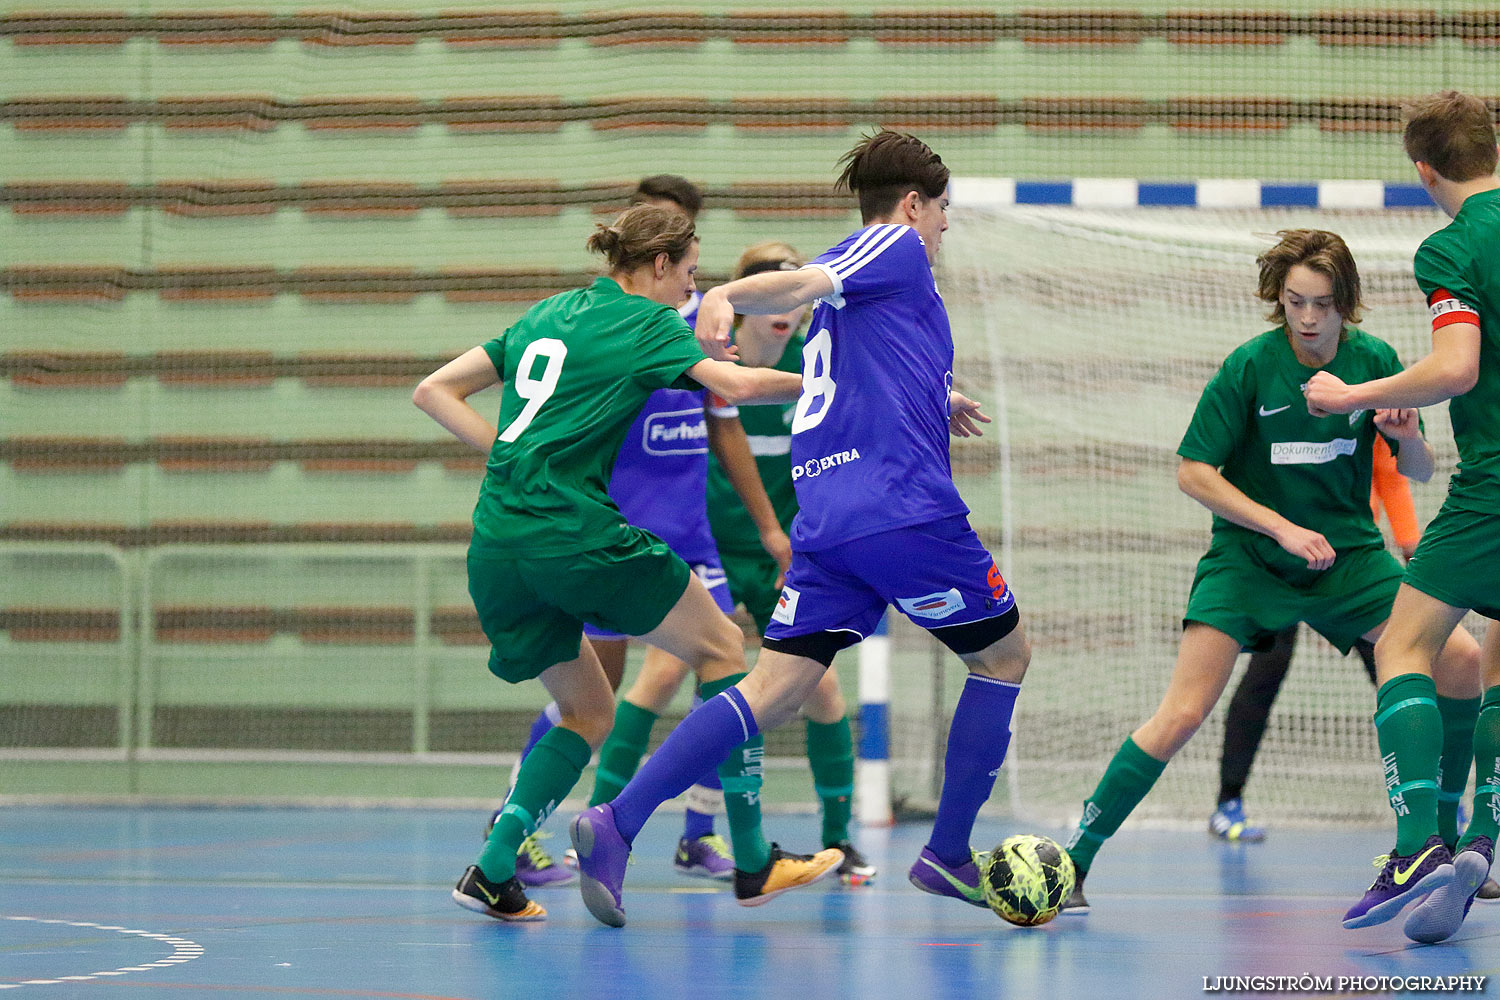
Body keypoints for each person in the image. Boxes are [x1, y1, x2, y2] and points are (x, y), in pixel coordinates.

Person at [568, 130, 1025, 929]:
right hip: (904, 510)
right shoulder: (892, 248)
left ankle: (615, 822)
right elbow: (801, 281)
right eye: (942, 210)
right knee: (1006, 655)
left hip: (825, 521)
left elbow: (840, 376)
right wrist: (724, 297)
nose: (945, 226)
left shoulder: (854, 306)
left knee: (774, 688)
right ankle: (948, 853)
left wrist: (934, 399)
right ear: (914, 204)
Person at [414, 203, 824, 922]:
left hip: (498, 542)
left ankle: (493, 864)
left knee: (588, 709)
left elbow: (433, 391)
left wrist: (514, 458)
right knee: (726, 647)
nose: (693, 289)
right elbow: (737, 387)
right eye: (691, 273)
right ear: (660, 265)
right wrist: (836, 386)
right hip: (572, 533)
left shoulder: (550, 311)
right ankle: (753, 859)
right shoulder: (648, 323)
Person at [1062, 228, 1482, 917]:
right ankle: (1074, 861)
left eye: (1322, 303)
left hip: (1347, 558)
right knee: (1184, 711)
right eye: (1295, 302)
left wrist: (1407, 437)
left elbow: (1421, 470)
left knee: (1461, 660)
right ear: (1277, 300)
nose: (1309, 318)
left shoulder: (1374, 360)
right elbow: (1194, 471)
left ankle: (1439, 840)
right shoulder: (1249, 368)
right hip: (1250, 560)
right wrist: (1280, 528)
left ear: (1346, 303)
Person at [495, 175, 797, 888]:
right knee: (595, 692)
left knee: (724, 661)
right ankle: (525, 819)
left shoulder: (703, 323)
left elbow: (728, 427)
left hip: (687, 533)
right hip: (612, 528)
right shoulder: (613, 325)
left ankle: (700, 832)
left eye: (685, 238)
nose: (679, 260)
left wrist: (766, 528)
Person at [583, 241, 875, 885]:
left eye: (794, 285)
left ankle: (835, 840)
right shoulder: (702, 355)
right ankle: (610, 817)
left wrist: (800, 537)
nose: (785, 300)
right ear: (745, 297)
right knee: (666, 679)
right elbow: (710, 438)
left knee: (817, 690)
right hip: (709, 542)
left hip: (787, 552)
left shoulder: (814, 360)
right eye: (771, 282)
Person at [1305, 90, 1500, 943]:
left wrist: (1356, 393)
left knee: (1403, 646)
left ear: (1424, 171)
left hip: (1494, 487)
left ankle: (1418, 843)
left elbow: (1457, 367)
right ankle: (1485, 841)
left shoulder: (1453, 247)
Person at [1210, 440, 1415, 843]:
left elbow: (1389, 475)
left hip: (1349, 564)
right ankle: (1227, 802)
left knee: (1395, 671)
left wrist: (1410, 542)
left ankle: (1432, 800)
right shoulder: (1274, 396)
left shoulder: (1364, 395)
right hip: (1279, 562)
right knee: (1267, 668)